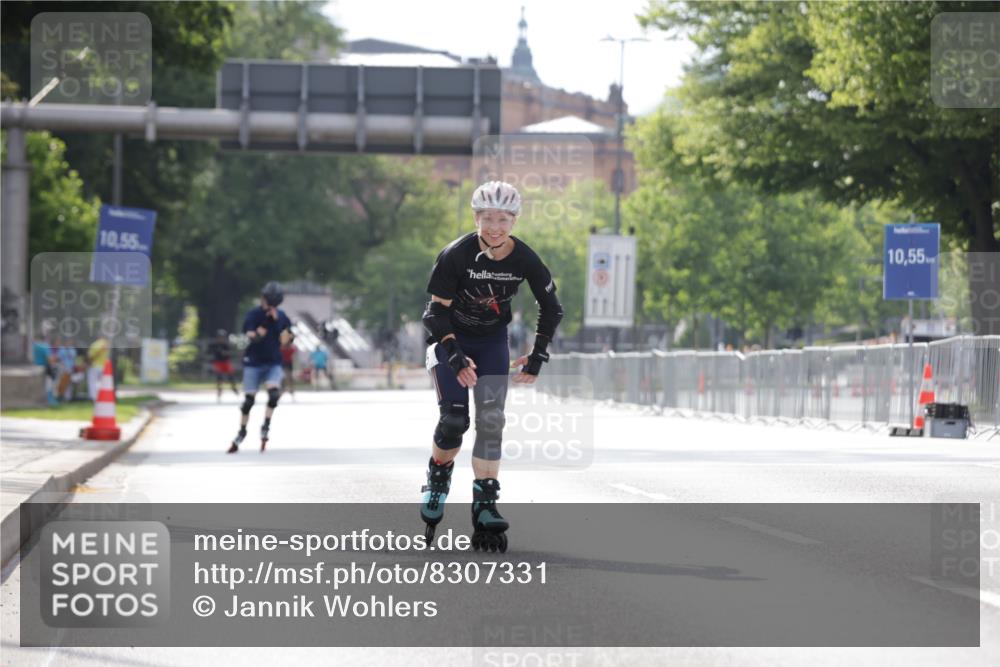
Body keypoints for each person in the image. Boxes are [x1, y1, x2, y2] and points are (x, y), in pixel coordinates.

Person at [419, 180, 563, 552]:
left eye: (503, 219)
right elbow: (434, 313)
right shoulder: (456, 254)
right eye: (486, 218)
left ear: (514, 221)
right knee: (454, 420)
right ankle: (438, 476)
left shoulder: (525, 258)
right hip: (451, 341)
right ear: (475, 217)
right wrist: (454, 354)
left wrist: (538, 355)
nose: (494, 227)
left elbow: (552, 308)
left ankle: (485, 505)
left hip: (492, 343)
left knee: (491, 421)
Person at [228, 282, 293, 454]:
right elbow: (252, 337)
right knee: (249, 401)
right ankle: (242, 431)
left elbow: (288, 340)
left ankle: (266, 426)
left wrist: (280, 326)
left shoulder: (282, 316)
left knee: (273, 395)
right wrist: (265, 324)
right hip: (254, 361)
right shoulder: (254, 315)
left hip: (273, 361)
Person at [207, 329, 239, 401]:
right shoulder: (214, 344)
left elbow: (230, 353)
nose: (221, 338)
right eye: (220, 337)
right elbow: (209, 352)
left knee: (231, 376)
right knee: (219, 377)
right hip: (218, 362)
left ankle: (234, 388)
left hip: (225, 362)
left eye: (222, 337)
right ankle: (219, 392)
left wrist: (225, 353)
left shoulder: (226, 344)